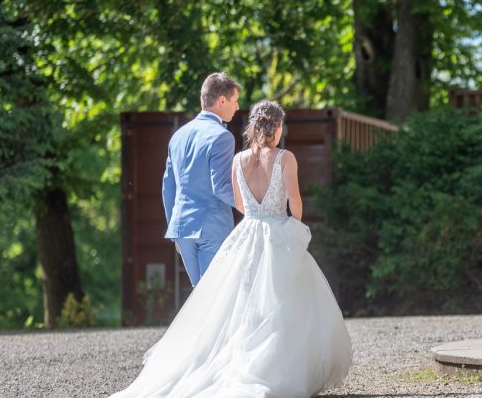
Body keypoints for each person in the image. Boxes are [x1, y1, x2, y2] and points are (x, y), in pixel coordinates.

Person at [112, 100, 353, 398]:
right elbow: (296, 203)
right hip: (277, 230)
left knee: (237, 301)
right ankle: (275, 367)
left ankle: (232, 358)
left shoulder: (238, 160)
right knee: (281, 301)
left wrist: (255, 213)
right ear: (277, 127)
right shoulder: (285, 158)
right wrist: (291, 227)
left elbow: (239, 203)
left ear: (253, 126)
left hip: (247, 233)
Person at [163, 72, 240, 286]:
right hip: (212, 226)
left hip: (181, 227)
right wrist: (252, 206)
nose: (237, 107)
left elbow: (168, 188)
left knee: (201, 297)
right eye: (235, 101)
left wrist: (174, 230)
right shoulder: (222, 136)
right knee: (214, 296)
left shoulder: (177, 136)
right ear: (222, 100)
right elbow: (222, 188)